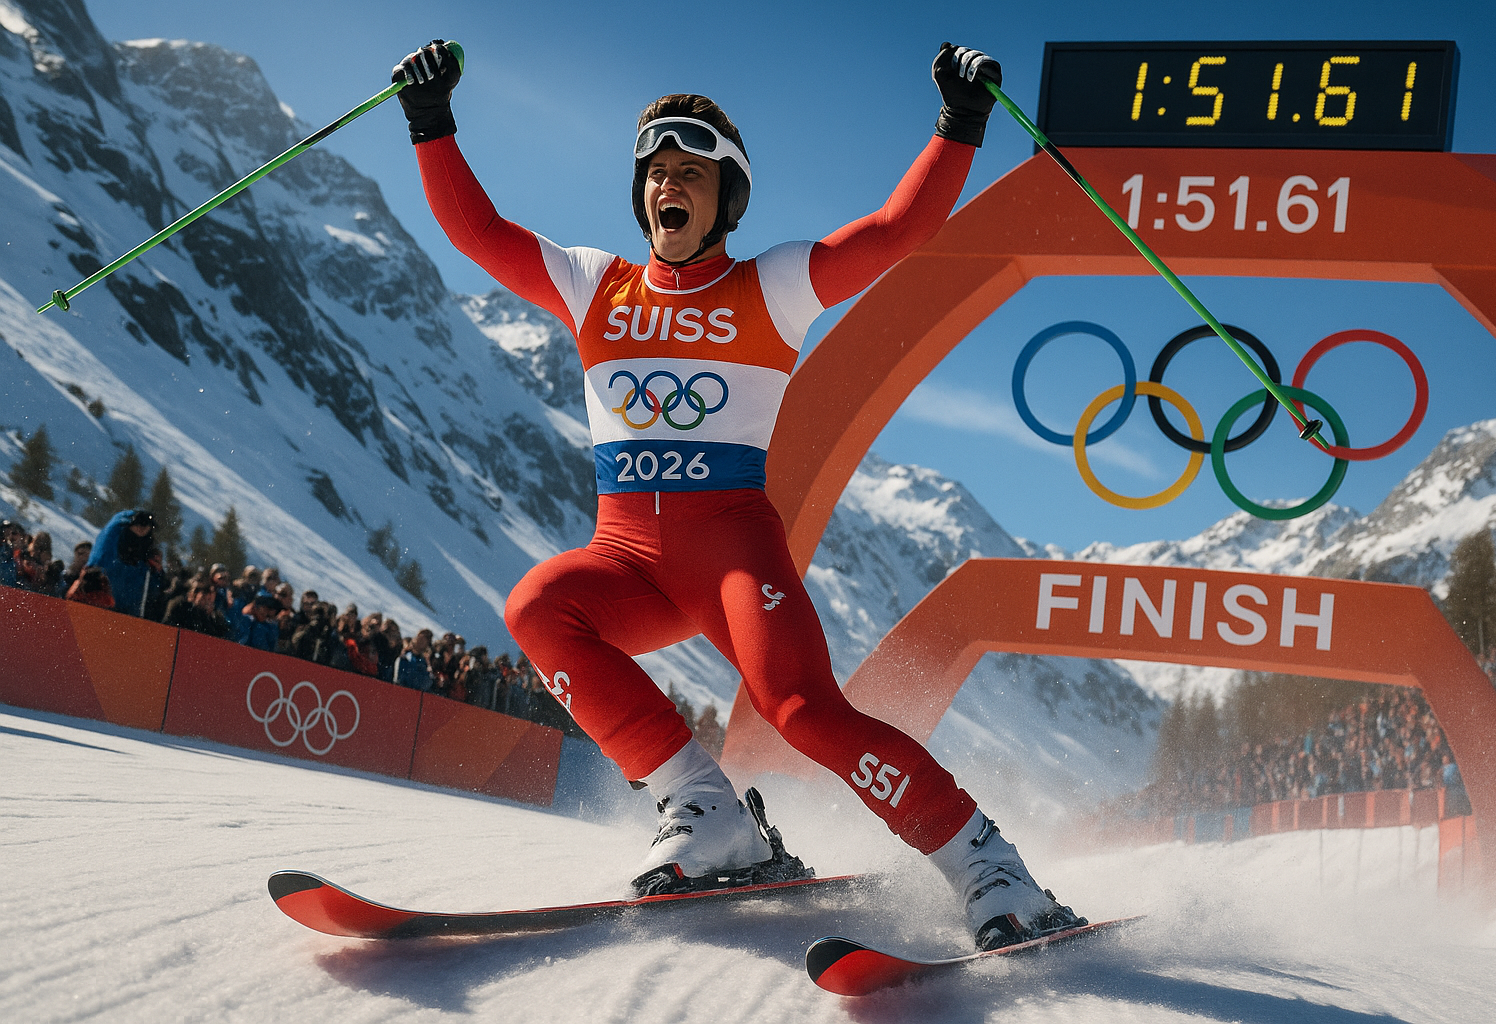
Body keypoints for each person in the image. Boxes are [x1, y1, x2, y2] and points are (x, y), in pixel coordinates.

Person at [394, 38, 1084, 949]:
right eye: (654, 172)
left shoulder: (772, 287)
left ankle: (995, 874)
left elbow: (891, 233)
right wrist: (430, 122)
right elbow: (481, 234)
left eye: (688, 172)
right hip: (626, 557)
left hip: (731, 553)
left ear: (728, 199)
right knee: (538, 607)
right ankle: (708, 815)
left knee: (803, 714)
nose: (665, 186)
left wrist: (959, 123)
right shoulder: (593, 283)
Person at [87, 510, 162, 618]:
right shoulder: (114, 537)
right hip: (104, 603)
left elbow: (153, 588)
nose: (142, 527)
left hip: (130, 611)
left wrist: (157, 572)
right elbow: (100, 557)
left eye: (147, 524)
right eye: (139, 522)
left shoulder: (148, 551)